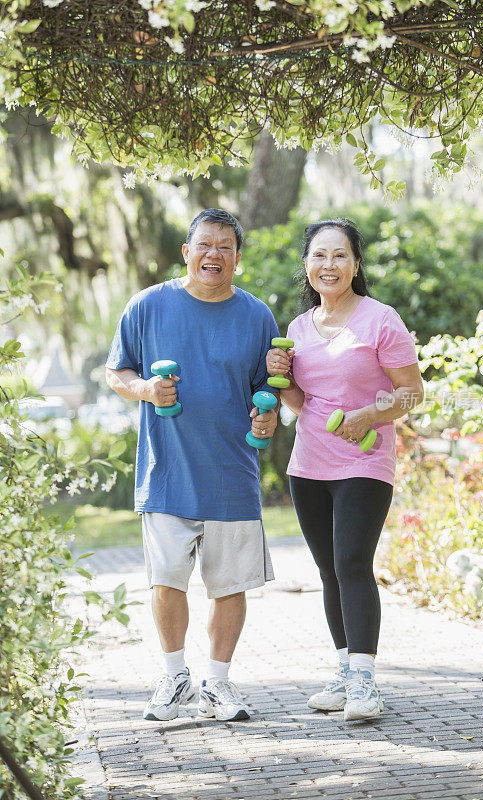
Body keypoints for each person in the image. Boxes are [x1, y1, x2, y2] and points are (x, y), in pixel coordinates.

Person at [106, 208, 279, 723]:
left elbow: (265, 389)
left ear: (237, 258)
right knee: (167, 581)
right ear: (187, 252)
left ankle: (218, 685)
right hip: (166, 473)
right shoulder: (148, 305)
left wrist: (267, 419)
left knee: (229, 585)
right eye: (205, 244)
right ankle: (174, 679)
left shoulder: (256, 315)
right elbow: (117, 371)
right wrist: (144, 389)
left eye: (225, 247)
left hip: (232, 474)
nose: (214, 254)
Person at [266, 218, 424, 722]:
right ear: (307, 267)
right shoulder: (297, 329)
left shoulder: (381, 320)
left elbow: (411, 393)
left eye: (339, 255)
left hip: (366, 459)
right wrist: (280, 378)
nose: (328, 265)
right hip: (309, 464)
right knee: (329, 571)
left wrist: (371, 415)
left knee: (353, 562)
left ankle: (365, 681)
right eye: (318, 256)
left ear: (356, 264)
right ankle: (342, 670)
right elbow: (301, 402)